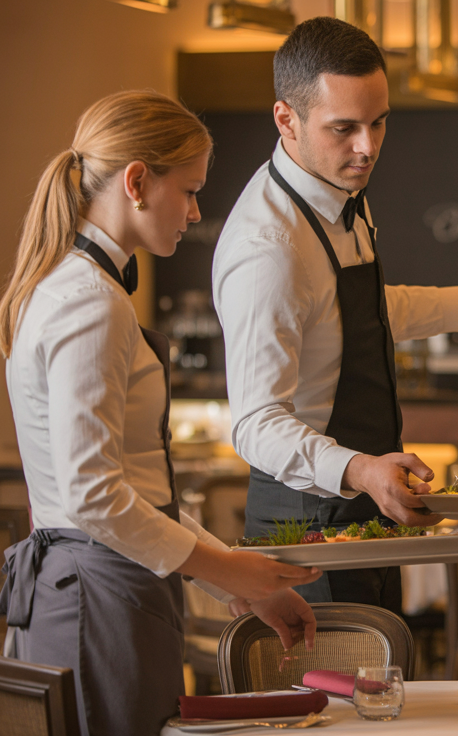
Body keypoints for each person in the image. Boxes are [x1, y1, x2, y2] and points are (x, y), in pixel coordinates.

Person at [0, 90, 320, 736]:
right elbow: (94, 499)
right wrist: (229, 569)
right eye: (190, 190)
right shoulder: (90, 301)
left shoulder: (73, 287)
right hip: (98, 593)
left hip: (102, 586)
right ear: (138, 182)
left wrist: (240, 581)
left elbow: (137, 488)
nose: (196, 211)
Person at [213, 17, 458, 615]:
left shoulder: (340, 190)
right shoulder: (268, 246)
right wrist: (362, 470)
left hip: (366, 498)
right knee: (331, 704)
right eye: (344, 128)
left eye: (379, 122)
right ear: (285, 119)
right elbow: (255, 423)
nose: (367, 147)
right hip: (308, 522)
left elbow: (366, 314)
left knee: (384, 691)